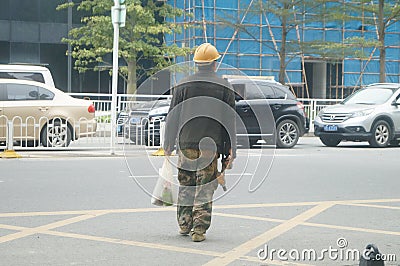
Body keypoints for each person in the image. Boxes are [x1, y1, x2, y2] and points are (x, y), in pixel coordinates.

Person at [163, 43, 236, 242]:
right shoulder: (224, 86)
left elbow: (172, 116)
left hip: (186, 145)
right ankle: (199, 230)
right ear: (214, 64)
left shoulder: (183, 84)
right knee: (204, 187)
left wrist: (168, 143)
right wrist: (231, 150)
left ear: (197, 64)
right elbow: (230, 121)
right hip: (210, 148)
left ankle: (184, 224)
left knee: (186, 185)